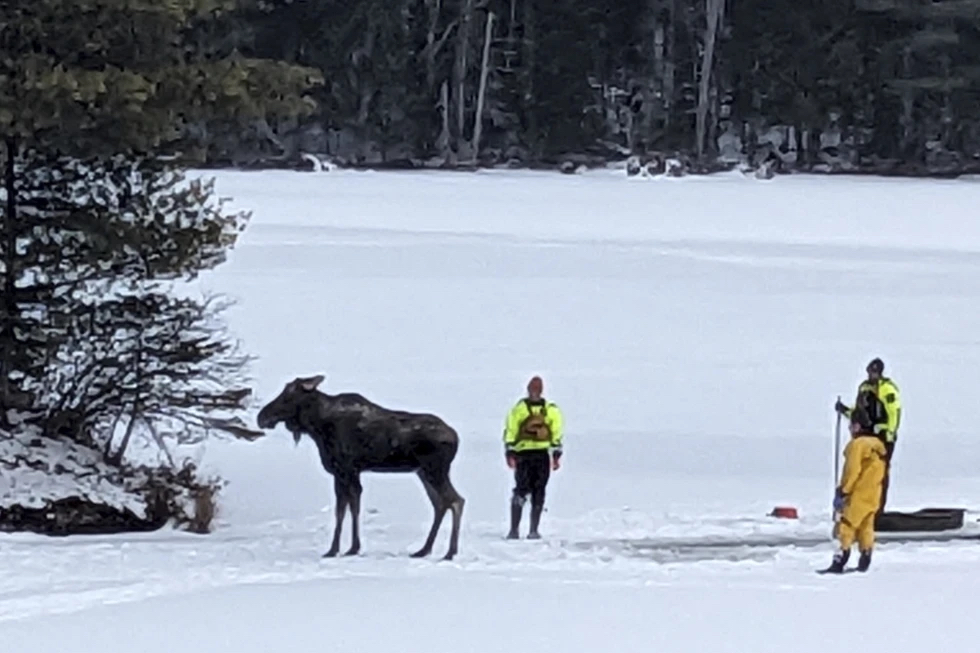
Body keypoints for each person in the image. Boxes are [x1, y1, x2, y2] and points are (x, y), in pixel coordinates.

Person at [822, 405, 888, 573]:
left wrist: (843, 490)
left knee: (845, 526)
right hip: (873, 494)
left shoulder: (857, 446)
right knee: (866, 526)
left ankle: (840, 559)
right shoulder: (877, 446)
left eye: (851, 425)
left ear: (857, 426)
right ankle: (865, 556)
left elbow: (852, 471)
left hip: (857, 494)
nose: (850, 429)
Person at [835, 357, 901, 509]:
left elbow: (894, 413)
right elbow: (859, 413)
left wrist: (888, 431)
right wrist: (844, 410)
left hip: (882, 437)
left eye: (874, 372)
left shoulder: (887, 389)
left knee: (878, 474)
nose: (872, 375)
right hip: (865, 435)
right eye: (870, 372)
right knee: (861, 472)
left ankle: (877, 508)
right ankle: (858, 506)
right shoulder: (864, 388)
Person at [502, 375, 563, 540]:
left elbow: (511, 430)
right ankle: (523, 530)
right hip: (531, 455)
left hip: (530, 454)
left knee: (529, 490)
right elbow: (556, 433)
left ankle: (524, 530)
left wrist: (509, 451)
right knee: (530, 490)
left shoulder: (521, 409)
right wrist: (556, 454)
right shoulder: (549, 409)